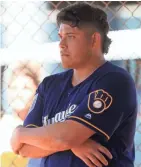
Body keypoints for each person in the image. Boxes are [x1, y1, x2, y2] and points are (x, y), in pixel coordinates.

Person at [10, 2, 137, 167]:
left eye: (70, 36)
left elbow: (64, 137)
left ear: (93, 40)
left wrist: (21, 133)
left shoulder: (115, 80)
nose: (61, 45)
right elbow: (25, 149)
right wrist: (75, 143)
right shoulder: (49, 85)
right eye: (60, 37)